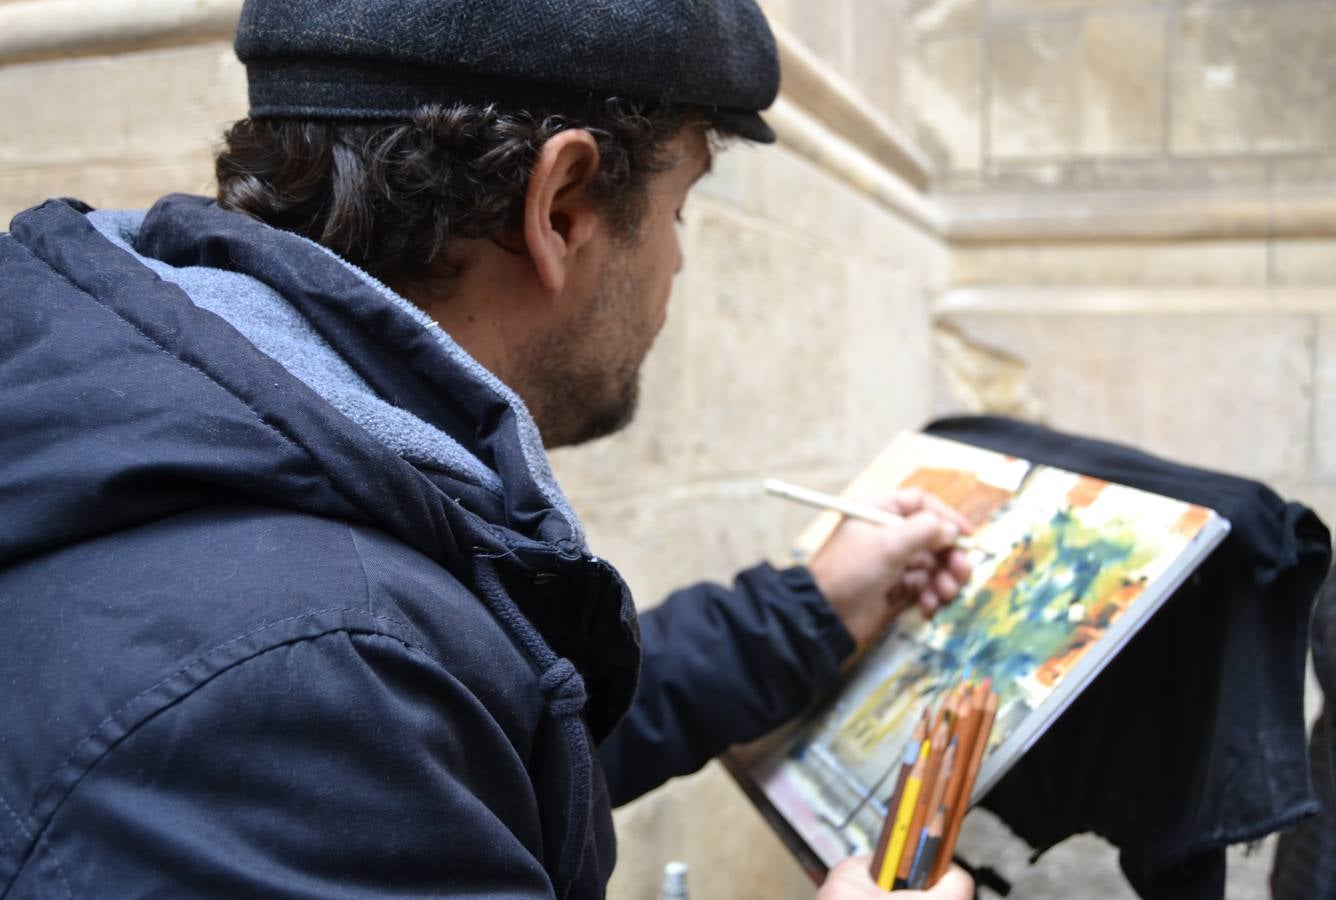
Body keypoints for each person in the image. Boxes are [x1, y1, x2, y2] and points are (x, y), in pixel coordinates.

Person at [0, 1, 974, 897]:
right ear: (562, 208)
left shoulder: (215, 420)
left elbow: (505, 740)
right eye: (679, 211)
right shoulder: (314, 683)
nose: (677, 259)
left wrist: (810, 610)